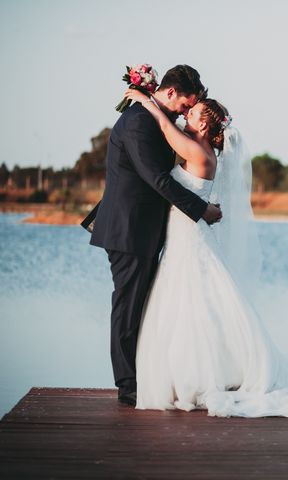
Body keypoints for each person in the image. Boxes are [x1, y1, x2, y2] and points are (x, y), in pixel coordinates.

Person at [123, 87, 288, 422]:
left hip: (189, 237)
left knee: (195, 300)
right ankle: (197, 371)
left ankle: (201, 375)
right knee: (194, 302)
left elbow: (167, 130)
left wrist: (145, 102)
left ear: (203, 127)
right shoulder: (199, 149)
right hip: (185, 235)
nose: (187, 115)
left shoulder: (198, 153)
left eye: (194, 114)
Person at [82, 65, 223, 406]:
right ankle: (128, 385)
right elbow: (156, 179)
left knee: (143, 305)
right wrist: (201, 210)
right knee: (128, 306)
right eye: (184, 105)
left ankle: (147, 376)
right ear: (171, 92)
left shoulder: (155, 116)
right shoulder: (137, 122)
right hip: (128, 229)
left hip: (146, 230)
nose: (184, 113)